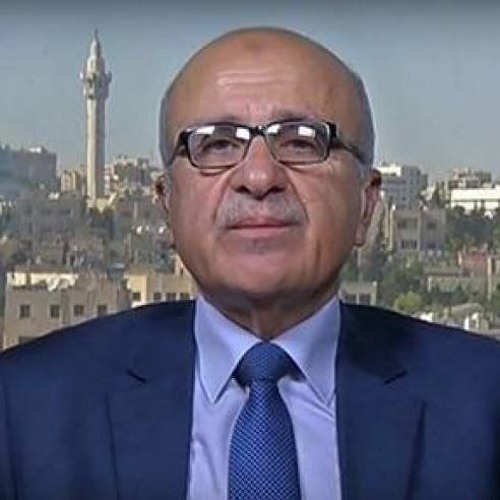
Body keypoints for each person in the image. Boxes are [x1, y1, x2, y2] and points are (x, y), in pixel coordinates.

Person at [1, 26, 499, 500]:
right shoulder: (27, 408)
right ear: (166, 204)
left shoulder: (484, 402)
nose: (259, 176)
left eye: (301, 140)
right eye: (217, 143)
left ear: (367, 204)